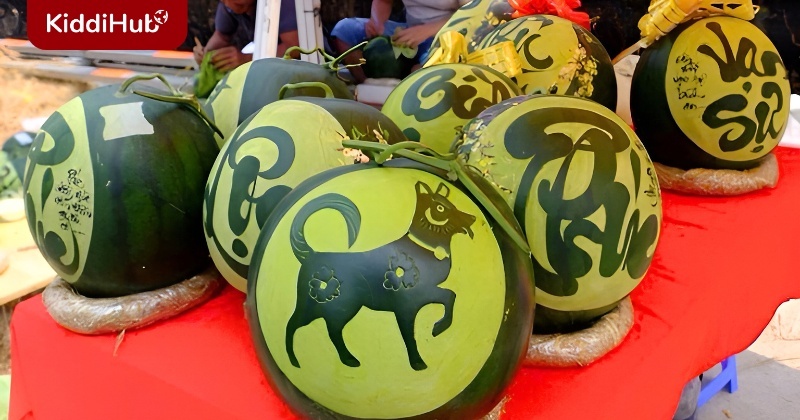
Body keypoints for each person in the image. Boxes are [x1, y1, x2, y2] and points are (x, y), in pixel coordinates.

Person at [331, 0, 468, 83]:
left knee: (424, 73)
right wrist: (377, 22)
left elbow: (470, 14)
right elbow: (384, 2)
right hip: (408, 30)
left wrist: (425, 31)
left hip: (447, 34)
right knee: (344, 30)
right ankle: (367, 85)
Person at [194, 0, 300, 72]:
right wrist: (206, 53)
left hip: (297, 70)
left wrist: (247, 59)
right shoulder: (230, 4)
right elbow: (222, 36)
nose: (228, 5)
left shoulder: (281, 3)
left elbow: (294, 49)